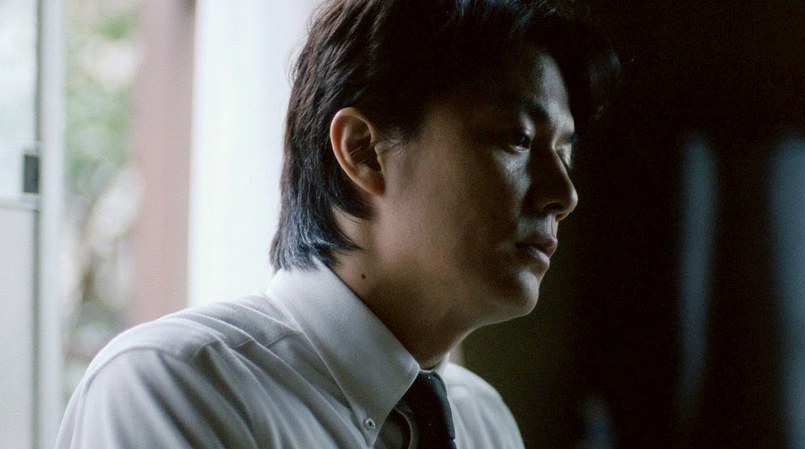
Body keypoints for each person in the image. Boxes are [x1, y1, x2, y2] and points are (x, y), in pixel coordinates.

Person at [56, 0, 619, 447]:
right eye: (517, 139)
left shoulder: (483, 423)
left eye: (564, 153)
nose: (563, 195)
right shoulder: (178, 386)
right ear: (364, 152)